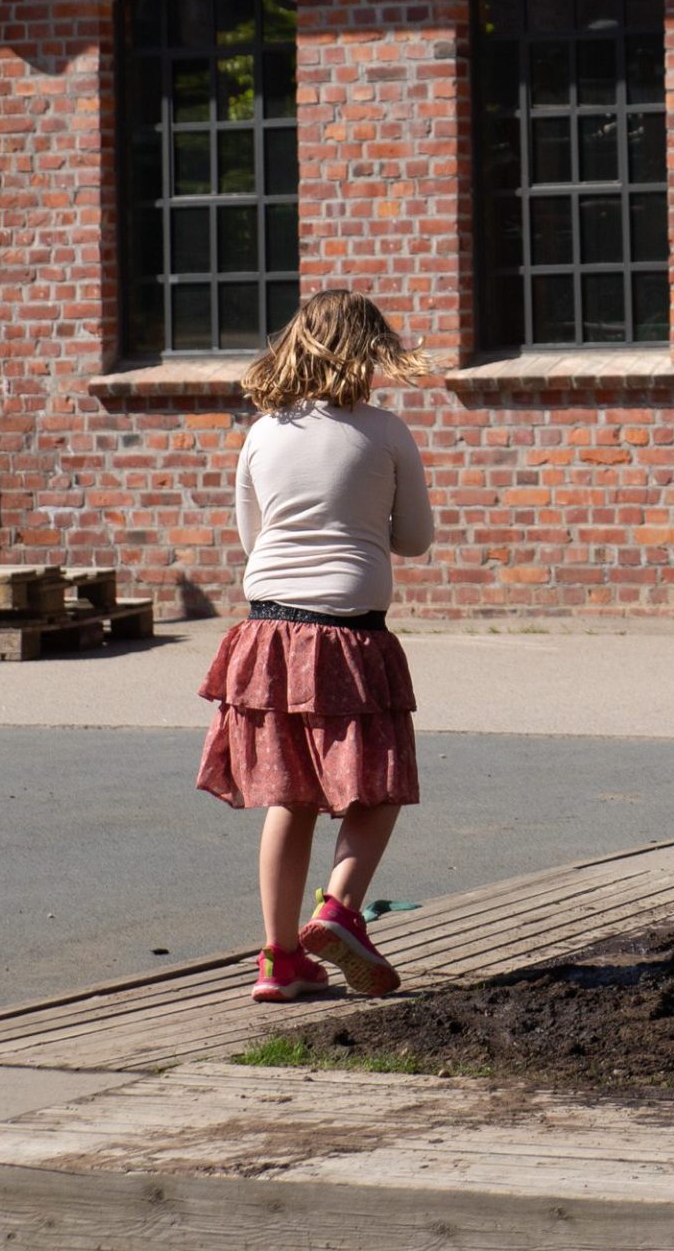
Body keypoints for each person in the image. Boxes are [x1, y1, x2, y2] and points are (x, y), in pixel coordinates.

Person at [197, 290, 435, 1003]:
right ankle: (339, 911)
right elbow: (414, 538)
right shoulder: (385, 431)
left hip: (266, 632)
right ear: (370, 352)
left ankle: (279, 960)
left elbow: (254, 537)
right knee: (379, 780)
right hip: (351, 632)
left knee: (288, 793)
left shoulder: (263, 432)